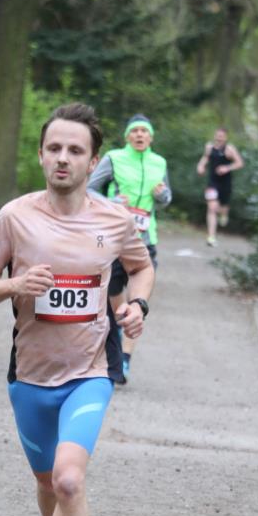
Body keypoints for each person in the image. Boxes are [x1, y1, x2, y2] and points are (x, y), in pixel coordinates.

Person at [0, 103, 154, 516]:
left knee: (71, 481)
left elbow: (141, 266)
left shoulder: (114, 221)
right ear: (41, 155)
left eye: (75, 150)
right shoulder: (15, 218)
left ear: (94, 162)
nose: (63, 158)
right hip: (29, 377)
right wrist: (15, 284)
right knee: (49, 484)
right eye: (54, 148)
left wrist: (138, 304)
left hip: (91, 371)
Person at [87, 113, 171, 383]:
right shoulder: (114, 158)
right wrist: (111, 201)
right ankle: (118, 326)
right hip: (116, 239)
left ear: (151, 137)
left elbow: (166, 198)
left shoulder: (159, 162)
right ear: (127, 136)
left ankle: (124, 359)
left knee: (138, 301)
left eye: (144, 131)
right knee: (112, 291)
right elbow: (89, 189)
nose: (139, 135)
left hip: (146, 239)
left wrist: (162, 196)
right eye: (134, 131)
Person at [196, 127, 244, 247]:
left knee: (222, 208)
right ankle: (211, 237)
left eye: (221, 136)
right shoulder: (209, 147)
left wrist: (227, 168)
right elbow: (205, 158)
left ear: (225, 138)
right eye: (217, 136)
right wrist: (201, 167)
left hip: (225, 184)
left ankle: (224, 213)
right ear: (214, 136)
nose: (219, 138)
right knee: (212, 208)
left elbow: (240, 163)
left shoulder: (229, 149)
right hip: (212, 183)